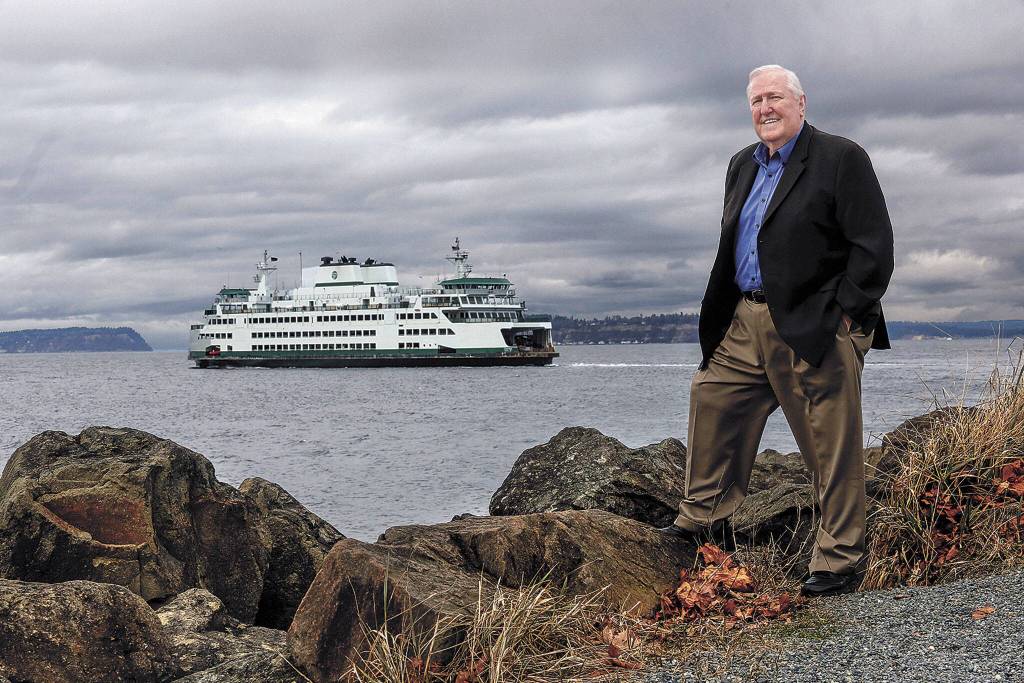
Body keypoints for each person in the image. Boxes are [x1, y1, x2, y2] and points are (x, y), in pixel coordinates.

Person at [658, 65, 894, 597]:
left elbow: (873, 245)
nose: (765, 108)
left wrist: (847, 318)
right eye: (756, 100)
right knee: (713, 396)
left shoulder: (841, 158)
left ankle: (840, 559)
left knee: (828, 440)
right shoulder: (741, 164)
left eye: (775, 98)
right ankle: (706, 517)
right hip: (746, 316)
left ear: (801, 102)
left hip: (816, 320)